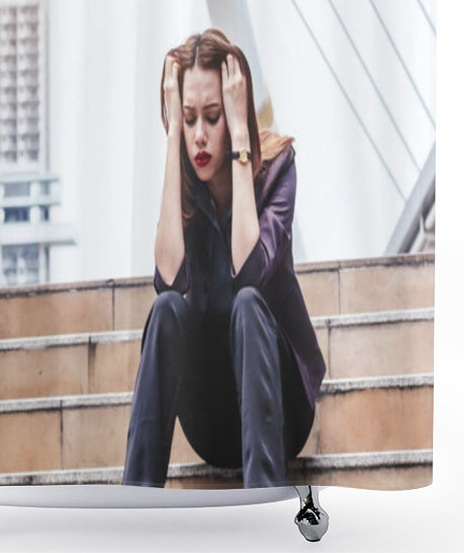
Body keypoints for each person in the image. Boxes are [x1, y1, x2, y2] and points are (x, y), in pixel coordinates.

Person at [122, 28, 326, 489]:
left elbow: (249, 269)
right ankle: (133, 505)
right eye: (189, 118)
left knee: (250, 302)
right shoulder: (187, 188)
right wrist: (172, 134)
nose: (199, 135)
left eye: (211, 117)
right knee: (166, 309)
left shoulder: (277, 169)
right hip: (213, 421)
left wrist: (239, 140)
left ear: (233, 111)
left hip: (281, 414)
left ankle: (262, 510)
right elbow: (168, 281)